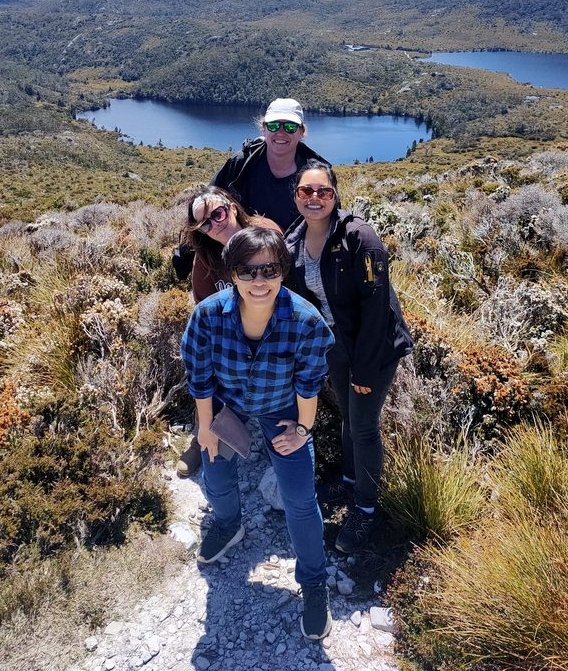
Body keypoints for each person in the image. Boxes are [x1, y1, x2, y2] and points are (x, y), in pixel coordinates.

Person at [180, 226, 335, 640]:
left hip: (283, 408)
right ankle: (229, 525)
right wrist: (205, 427)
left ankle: (314, 584)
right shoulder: (207, 316)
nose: (259, 280)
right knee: (215, 475)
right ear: (232, 273)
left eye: (269, 269)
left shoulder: (305, 321)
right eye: (248, 271)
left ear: (283, 270)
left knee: (300, 499)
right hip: (228, 405)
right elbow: (200, 378)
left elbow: (309, 383)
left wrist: (302, 429)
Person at [284, 161, 413, 554]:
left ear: (335, 195)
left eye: (323, 191)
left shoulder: (361, 238)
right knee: (346, 417)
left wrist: (364, 365)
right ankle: (351, 480)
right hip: (335, 346)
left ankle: (366, 509)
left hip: (372, 349)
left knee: (364, 427)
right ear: (296, 197)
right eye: (306, 191)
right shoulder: (295, 240)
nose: (315, 198)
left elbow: (377, 308)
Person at [175, 187, 280, 476]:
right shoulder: (207, 258)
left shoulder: (266, 233)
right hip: (232, 344)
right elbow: (205, 318)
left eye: (217, 213)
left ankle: (285, 440)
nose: (215, 224)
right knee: (206, 367)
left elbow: (289, 287)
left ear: (231, 206)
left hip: (274, 335)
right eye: (205, 224)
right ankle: (203, 436)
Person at [211, 97, 330, 234]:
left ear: (301, 133)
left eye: (290, 127)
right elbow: (206, 204)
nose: (280, 132)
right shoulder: (241, 164)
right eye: (273, 126)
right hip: (243, 250)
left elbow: (330, 225)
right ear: (264, 129)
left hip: (297, 252)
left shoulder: (317, 175)